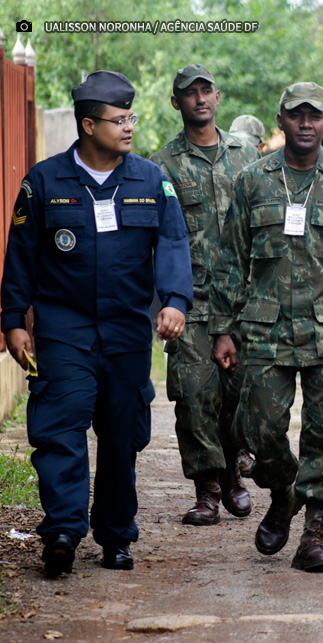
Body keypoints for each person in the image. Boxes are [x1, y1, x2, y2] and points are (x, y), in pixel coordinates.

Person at [0, 71, 193, 574]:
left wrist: (175, 300)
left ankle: (115, 535)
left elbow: (173, 243)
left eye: (132, 117)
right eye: (118, 119)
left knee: (120, 434)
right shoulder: (44, 181)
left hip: (128, 329)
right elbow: (20, 253)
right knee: (60, 427)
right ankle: (63, 529)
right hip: (65, 327)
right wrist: (13, 318)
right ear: (88, 125)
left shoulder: (151, 180)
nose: (129, 126)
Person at [209, 82, 323, 572]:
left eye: (314, 116)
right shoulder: (253, 181)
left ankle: (313, 535)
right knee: (258, 429)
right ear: (281, 121)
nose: (305, 124)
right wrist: (223, 328)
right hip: (264, 329)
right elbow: (229, 259)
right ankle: (284, 491)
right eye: (296, 115)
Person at [151, 64, 261, 526]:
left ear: (218, 97)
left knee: (238, 396)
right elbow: (152, 239)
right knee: (195, 397)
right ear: (176, 103)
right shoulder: (161, 166)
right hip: (190, 302)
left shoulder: (247, 157)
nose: (199, 100)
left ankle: (235, 474)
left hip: (243, 302)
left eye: (205, 91)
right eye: (188, 94)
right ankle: (208, 488)